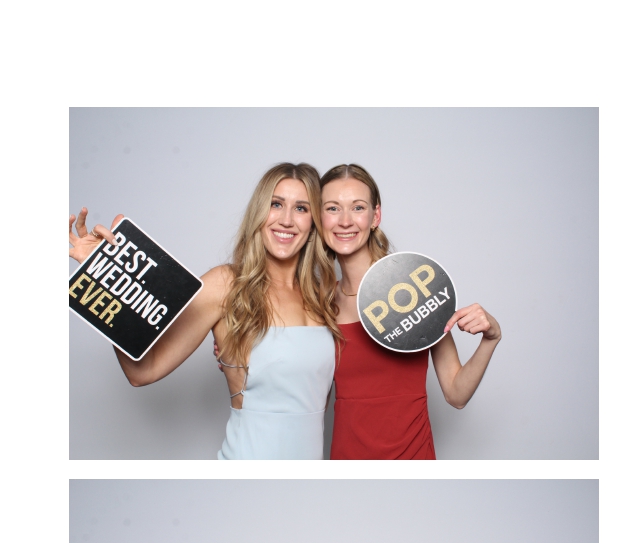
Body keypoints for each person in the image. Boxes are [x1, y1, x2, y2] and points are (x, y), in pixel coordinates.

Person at [69, 164, 339, 460]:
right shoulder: (226, 285)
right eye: (276, 204)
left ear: (314, 221)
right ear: (259, 213)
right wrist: (104, 277)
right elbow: (142, 371)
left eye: (301, 208)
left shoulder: (324, 296)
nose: (286, 220)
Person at [319, 163, 502, 460]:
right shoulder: (318, 305)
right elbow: (311, 401)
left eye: (358, 207)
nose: (345, 221)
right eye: (332, 208)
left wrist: (490, 339)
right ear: (319, 218)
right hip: (347, 465)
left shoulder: (414, 287)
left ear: (375, 216)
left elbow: (456, 394)